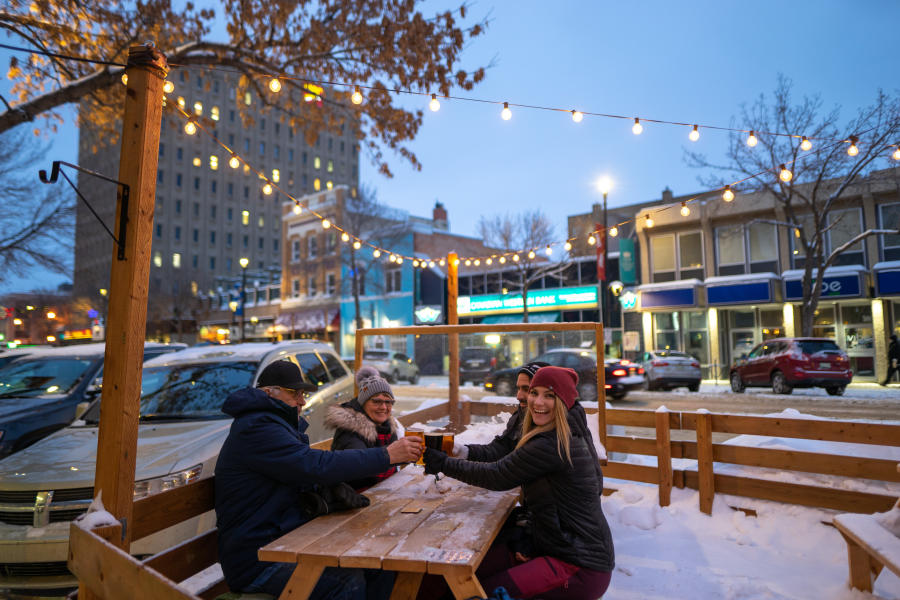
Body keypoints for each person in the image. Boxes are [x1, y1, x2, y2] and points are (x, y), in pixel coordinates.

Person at [215, 359, 423, 599]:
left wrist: (330, 490)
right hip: (258, 558)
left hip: (286, 539)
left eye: (303, 394)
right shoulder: (257, 428)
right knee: (345, 580)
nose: (302, 401)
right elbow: (312, 465)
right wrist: (387, 455)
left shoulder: (275, 424)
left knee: (380, 563)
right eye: (295, 393)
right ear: (268, 393)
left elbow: (302, 471)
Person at [423, 366, 614, 600]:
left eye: (549, 395)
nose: (537, 401)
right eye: (534, 392)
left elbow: (497, 475)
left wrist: (443, 464)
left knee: (480, 592)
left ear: (564, 402)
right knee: (455, 577)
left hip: (578, 566)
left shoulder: (553, 443)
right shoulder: (559, 430)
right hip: (556, 546)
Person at [455, 361, 549, 461]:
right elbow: (499, 449)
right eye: (518, 388)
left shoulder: (551, 433)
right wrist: (462, 451)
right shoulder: (521, 415)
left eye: (527, 389)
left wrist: (446, 464)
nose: (519, 396)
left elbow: (501, 471)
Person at [326, 366, 400, 490]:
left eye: (388, 402)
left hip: (382, 492)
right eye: (376, 401)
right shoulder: (350, 430)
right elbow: (361, 472)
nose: (383, 407)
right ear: (363, 403)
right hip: (355, 498)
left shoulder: (387, 426)